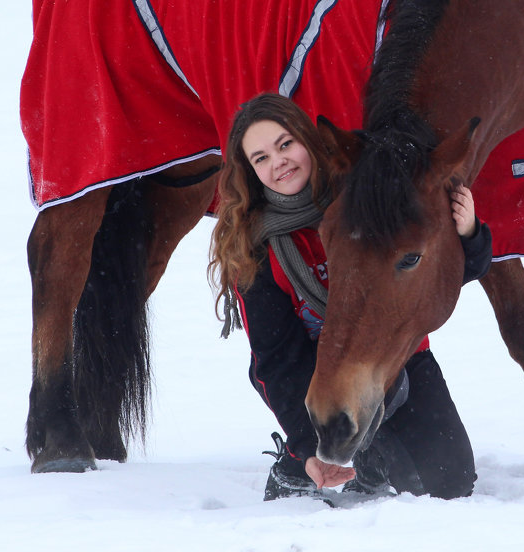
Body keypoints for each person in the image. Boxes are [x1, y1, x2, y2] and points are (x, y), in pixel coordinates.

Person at [209, 93, 491, 502]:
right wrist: (308, 448)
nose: (279, 162)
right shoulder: (256, 248)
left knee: (451, 481)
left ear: (308, 141)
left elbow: (432, 277)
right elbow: (274, 359)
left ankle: (373, 450)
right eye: (261, 158)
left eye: (285, 144)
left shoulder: (365, 193)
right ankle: (297, 464)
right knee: (332, 444)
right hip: (320, 371)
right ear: (250, 172)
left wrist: (470, 236)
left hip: (402, 360)